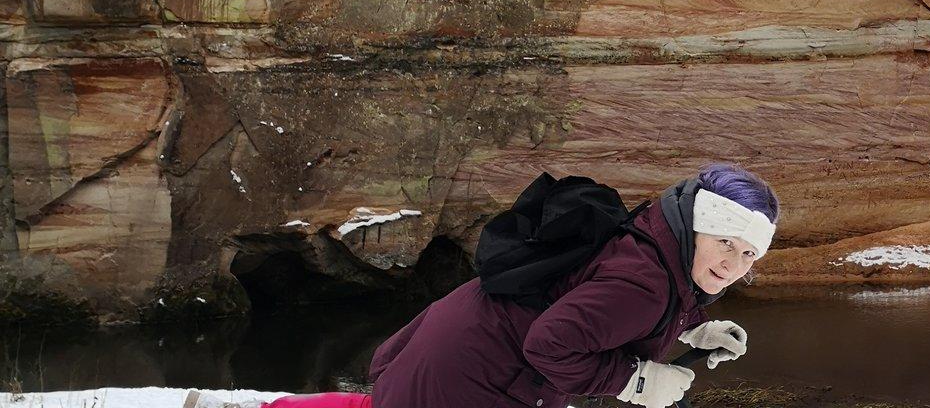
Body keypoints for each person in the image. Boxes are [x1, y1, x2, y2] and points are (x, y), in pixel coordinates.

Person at [196, 163, 779, 408]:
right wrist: (636, 381)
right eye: (725, 242)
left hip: (446, 348)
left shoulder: (653, 238)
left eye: (748, 253)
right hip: (469, 378)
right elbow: (550, 346)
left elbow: (602, 300)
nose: (732, 263)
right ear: (698, 228)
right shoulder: (648, 281)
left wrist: (692, 331)